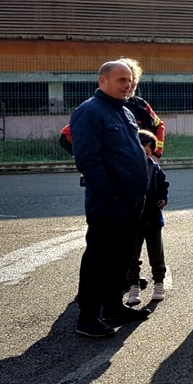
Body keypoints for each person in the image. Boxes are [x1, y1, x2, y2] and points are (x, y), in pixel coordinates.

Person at [69, 61, 151, 337]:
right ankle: (88, 317)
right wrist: (109, 195)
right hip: (109, 201)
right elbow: (87, 159)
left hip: (131, 199)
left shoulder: (125, 111)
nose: (127, 85)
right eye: (120, 80)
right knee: (98, 258)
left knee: (121, 256)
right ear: (102, 81)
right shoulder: (89, 111)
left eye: (129, 80)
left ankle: (113, 307)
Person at [58, 58, 165, 160]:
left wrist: (156, 154)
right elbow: (66, 137)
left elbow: (159, 125)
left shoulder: (140, 105)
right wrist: (95, 161)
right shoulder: (94, 109)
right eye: (123, 80)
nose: (129, 85)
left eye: (132, 80)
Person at [126, 130, 169, 306]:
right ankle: (133, 286)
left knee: (156, 252)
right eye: (142, 146)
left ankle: (159, 283)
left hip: (153, 217)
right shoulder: (127, 168)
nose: (146, 150)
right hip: (133, 219)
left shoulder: (155, 168)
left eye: (149, 147)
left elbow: (164, 186)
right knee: (132, 254)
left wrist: (163, 199)